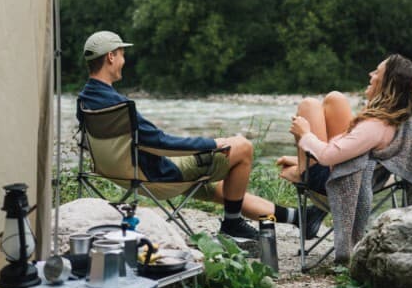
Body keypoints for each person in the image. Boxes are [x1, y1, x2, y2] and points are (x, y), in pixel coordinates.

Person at [77, 30, 304, 240]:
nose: (124, 61)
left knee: (223, 191)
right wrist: (213, 143)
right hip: (157, 176)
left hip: (118, 173)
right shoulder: (120, 106)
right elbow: (160, 144)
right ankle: (233, 224)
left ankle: (299, 218)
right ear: (110, 57)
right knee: (243, 147)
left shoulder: (85, 100)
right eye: (122, 55)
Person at [278, 53, 412, 260]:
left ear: (387, 84)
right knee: (335, 98)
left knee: (309, 105)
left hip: (340, 180)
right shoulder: (395, 118)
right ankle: (300, 165)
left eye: (377, 72)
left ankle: (301, 171)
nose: (371, 74)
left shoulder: (374, 127)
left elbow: (328, 156)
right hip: (366, 174)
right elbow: (346, 146)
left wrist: (305, 134)